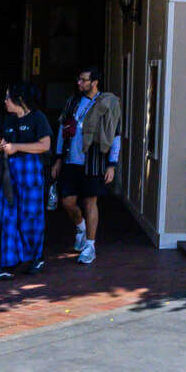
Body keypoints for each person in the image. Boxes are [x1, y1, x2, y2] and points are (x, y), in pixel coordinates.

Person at [51, 67, 122, 266]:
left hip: (93, 161)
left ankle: (90, 246)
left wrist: (112, 164)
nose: (79, 83)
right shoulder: (72, 102)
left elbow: (115, 135)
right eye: (79, 79)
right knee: (67, 202)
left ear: (95, 82)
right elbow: (61, 129)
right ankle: (81, 227)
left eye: (83, 80)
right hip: (70, 160)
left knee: (90, 202)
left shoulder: (106, 103)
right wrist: (57, 158)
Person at [0, 82, 53, 279]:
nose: (5, 101)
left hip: (30, 169)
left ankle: (35, 257)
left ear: (20, 100)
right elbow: (5, 142)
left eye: (8, 97)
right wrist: (0, 145)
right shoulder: (9, 120)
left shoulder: (37, 118)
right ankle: (8, 264)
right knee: (7, 215)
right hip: (9, 170)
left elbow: (45, 145)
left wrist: (16, 147)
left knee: (30, 215)